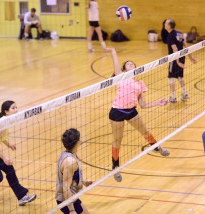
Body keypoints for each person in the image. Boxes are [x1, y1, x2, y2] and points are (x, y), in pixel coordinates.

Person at [106, 47, 170, 182]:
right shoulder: (121, 77)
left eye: (132, 63)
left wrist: (158, 102)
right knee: (118, 141)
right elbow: (115, 62)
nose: (130, 64)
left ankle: (158, 147)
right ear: (124, 69)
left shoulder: (140, 83)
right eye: (127, 64)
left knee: (146, 132)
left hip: (131, 111)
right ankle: (115, 167)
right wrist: (113, 51)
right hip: (117, 111)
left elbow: (144, 105)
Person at [55, 128, 92, 214]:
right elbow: (65, 187)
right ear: (77, 142)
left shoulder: (67, 154)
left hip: (72, 197)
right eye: (79, 138)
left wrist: (83, 181)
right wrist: (71, 210)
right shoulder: (70, 162)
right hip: (66, 200)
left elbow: (71, 176)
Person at [164, 18, 197, 103]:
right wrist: (191, 57)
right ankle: (185, 94)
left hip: (175, 59)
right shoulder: (179, 33)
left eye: (166, 23)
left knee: (171, 77)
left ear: (169, 26)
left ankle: (173, 97)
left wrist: (177, 61)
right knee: (180, 77)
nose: (164, 24)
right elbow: (186, 46)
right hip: (182, 57)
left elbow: (175, 49)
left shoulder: (170, 36)